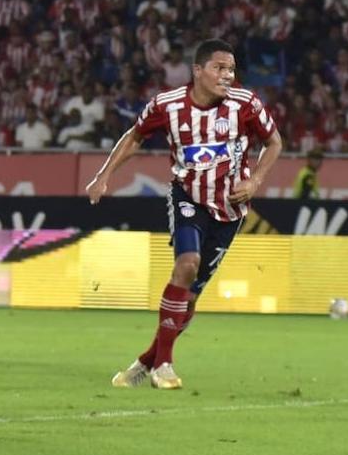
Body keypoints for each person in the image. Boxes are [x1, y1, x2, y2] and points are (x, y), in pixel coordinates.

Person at [86, 39, 282, 390]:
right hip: (188, 196)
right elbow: (134, 137)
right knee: (186, 264)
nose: (227, 76)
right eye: (219, 68)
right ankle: (164, 364)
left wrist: (256, 180)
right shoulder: (167, 105)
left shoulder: (246, 104)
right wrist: (104, 175)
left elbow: (275, 142)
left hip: (231, 209)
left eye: (231, 69)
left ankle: (145, 363)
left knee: (189, 297)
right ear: (198, 71)